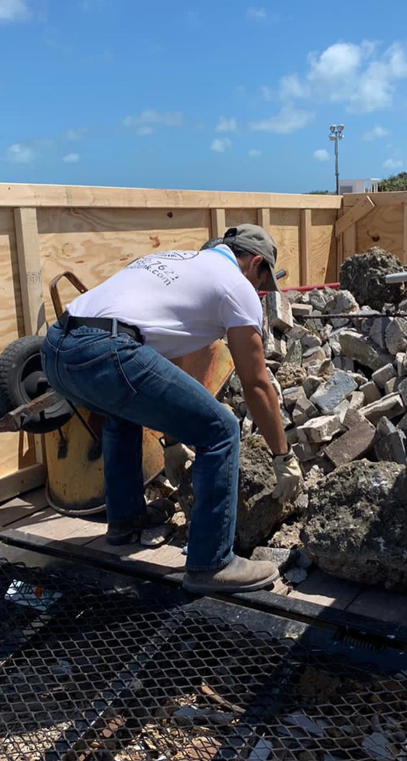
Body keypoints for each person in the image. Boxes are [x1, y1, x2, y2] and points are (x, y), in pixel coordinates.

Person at [40, 224, 302, 593]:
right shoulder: (236, 285)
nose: (260, 289)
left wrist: (174, 440)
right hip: (106, 349)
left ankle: (126, 520)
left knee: (120, 415)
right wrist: (282, 456)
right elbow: (256, 382)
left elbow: (166, 360)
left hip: (56, 351)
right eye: (262, 280)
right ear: (256, 262)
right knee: (221, 430)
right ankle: (212, 564)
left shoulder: (176, 261)